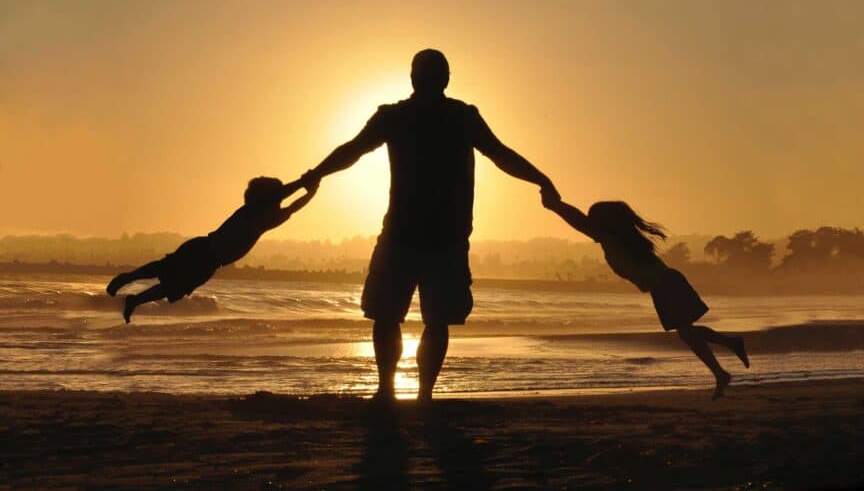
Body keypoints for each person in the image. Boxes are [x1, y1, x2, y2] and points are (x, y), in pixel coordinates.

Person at [299, 49, 558, 403]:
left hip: (412, 236)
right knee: (428, 320)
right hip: (438, 238)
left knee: (391, 316)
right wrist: (541, 179)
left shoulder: (403, 117)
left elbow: (353, 150)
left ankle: (389, 391)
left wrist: (316, 175)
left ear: (412, 78)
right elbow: (501, 154)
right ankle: (420, 395)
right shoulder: (456, 117)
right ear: (446, 79)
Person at [545, 198, 749, 399]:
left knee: (686, 332)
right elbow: (582, 222)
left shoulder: (612, 238)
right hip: (665, 284)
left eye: (594, 218)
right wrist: (556, 205)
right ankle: (722, 367)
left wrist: (556, 205)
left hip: (666, 285)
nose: (590, 222)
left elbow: (579, 221)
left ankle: (728, 350)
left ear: (604, 222)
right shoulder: (622, 238)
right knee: (687, 333)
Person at [106, 177, 317, 323]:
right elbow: (287, 202)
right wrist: (307, 187)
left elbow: (290, 206)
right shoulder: (254, 214)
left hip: (207, 256)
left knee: (171, 283)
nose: (279, 202)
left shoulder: (261, 217)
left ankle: (133, 297)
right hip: (206, 253)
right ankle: (128, 282)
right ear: (267, 200)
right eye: (275, 198)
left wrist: (307, 188)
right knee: (167, 273)